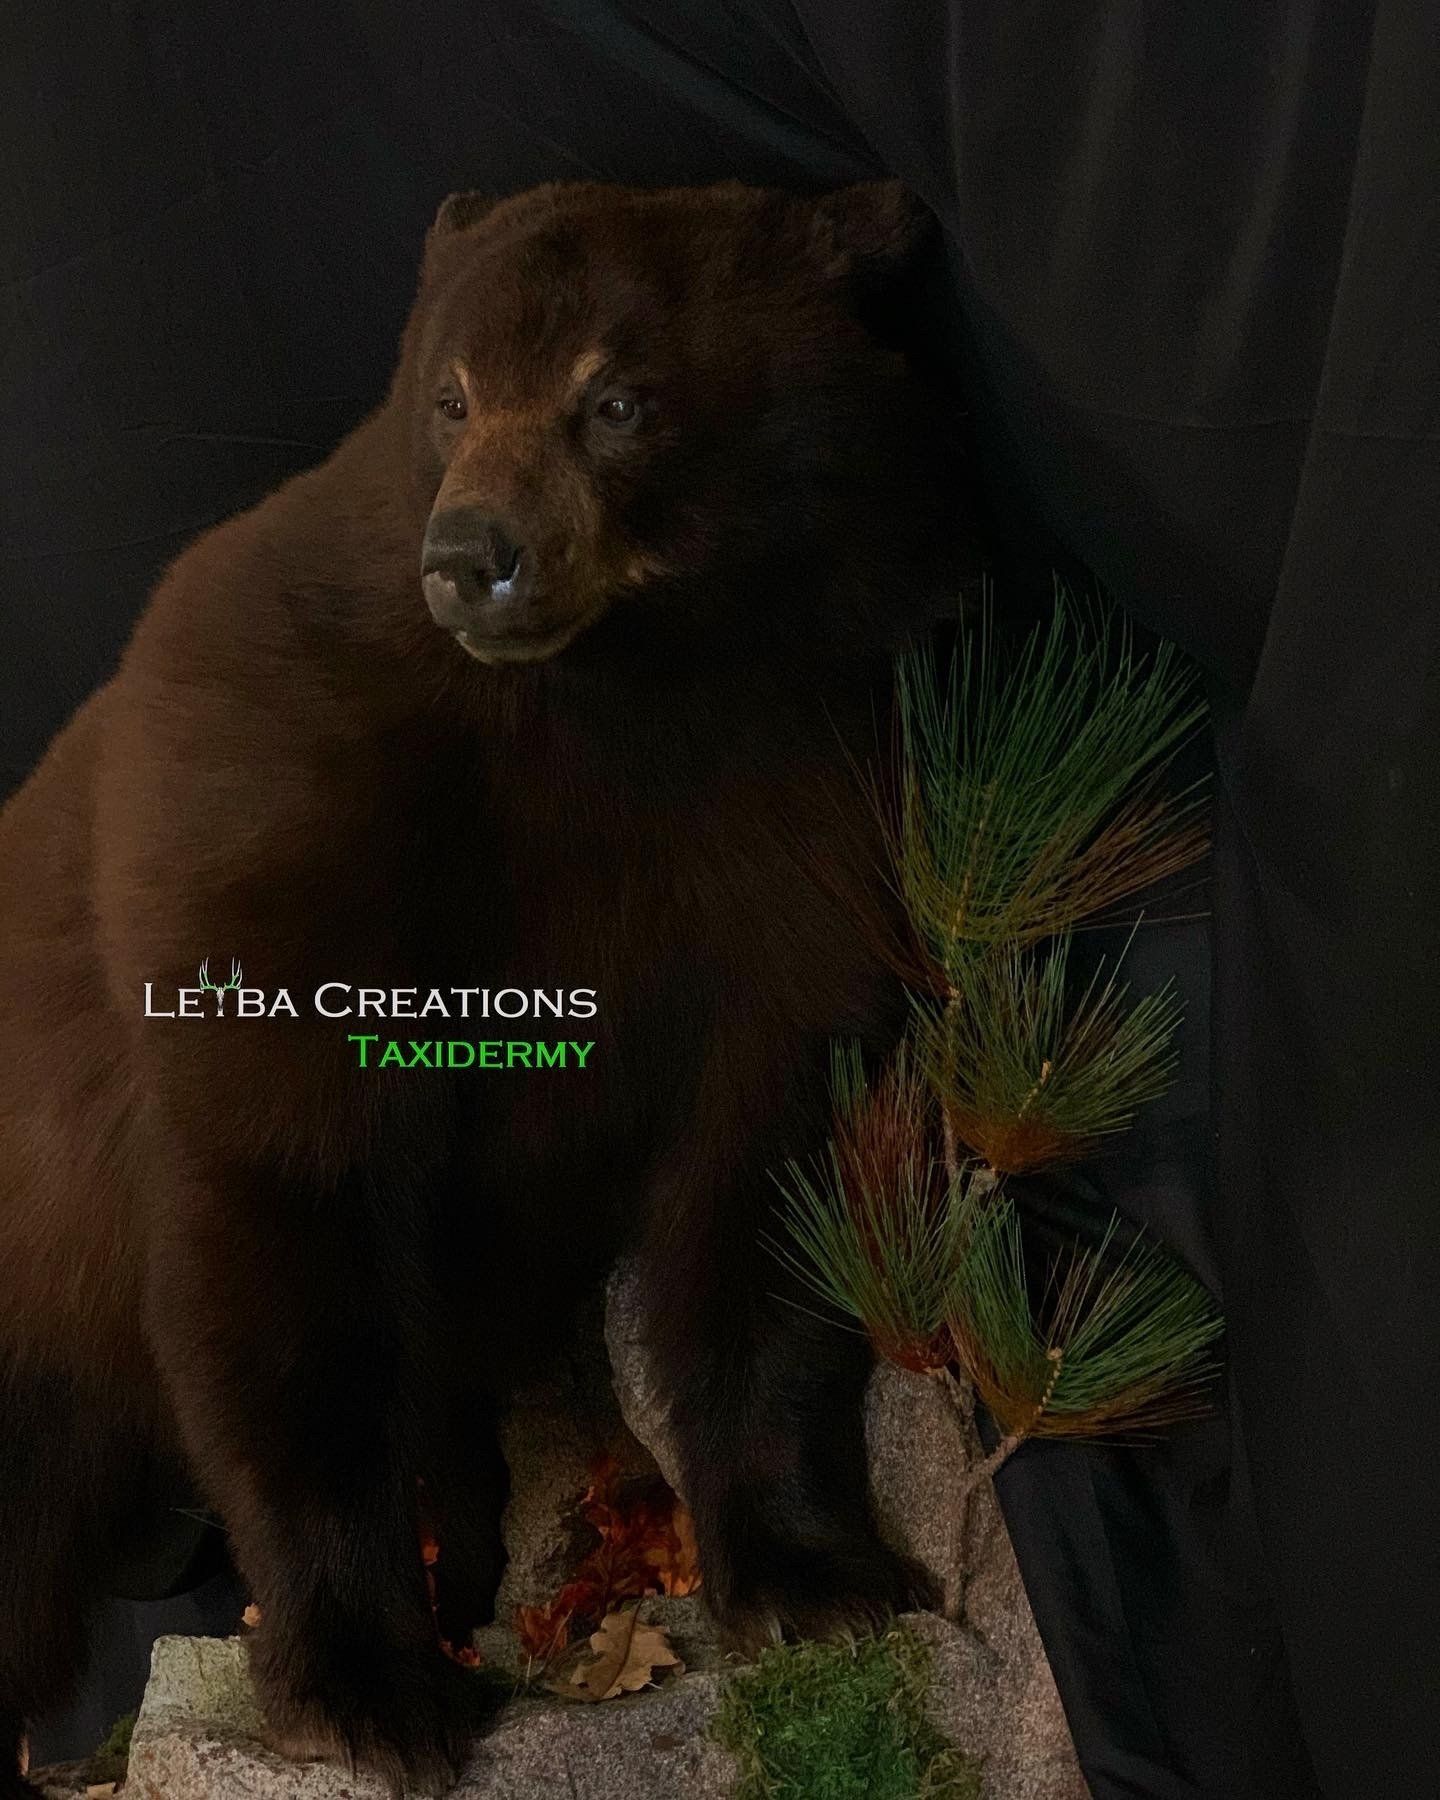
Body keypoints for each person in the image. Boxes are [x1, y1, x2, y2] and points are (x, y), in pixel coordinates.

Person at [4, 6, 1435, 1795]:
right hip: (75, 1295)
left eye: (603, 412)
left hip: (471, 1338)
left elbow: (756, 1157)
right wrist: (339, 1619)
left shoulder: (798, 722)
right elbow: (264, 1185)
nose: (480, 502)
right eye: (459, 417)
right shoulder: (278, 683)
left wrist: (780, 1516)